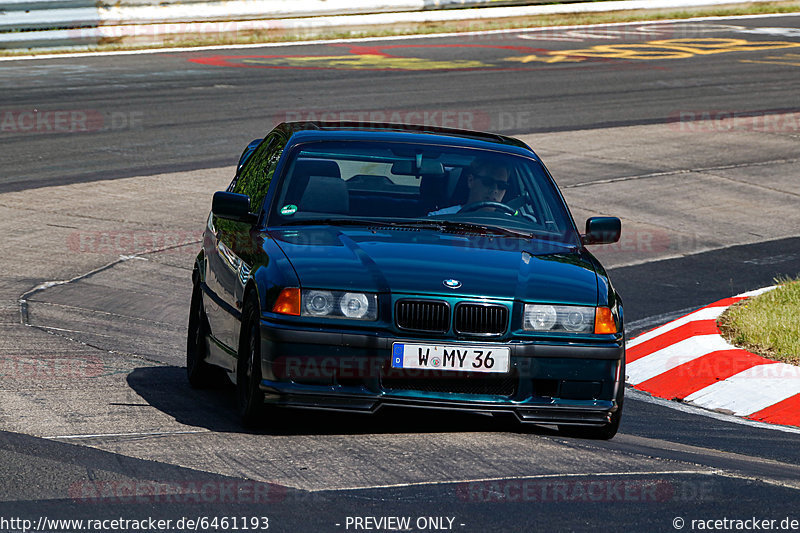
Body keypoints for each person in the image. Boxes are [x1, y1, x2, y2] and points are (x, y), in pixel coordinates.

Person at [428, 159, 510, 216]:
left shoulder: (512, 224)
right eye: (488, 182)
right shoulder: (439, 218)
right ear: (471, 180)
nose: (495, 190)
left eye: (502, 186)